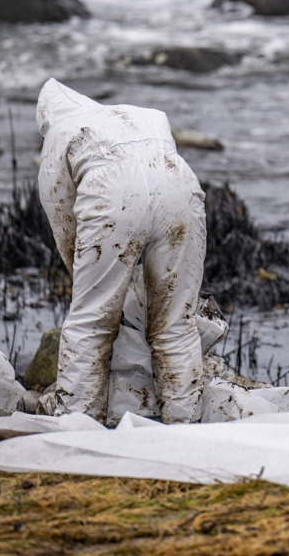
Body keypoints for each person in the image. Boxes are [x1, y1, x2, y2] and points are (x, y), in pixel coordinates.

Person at [35, 78, 208, 424]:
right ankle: (185, 429)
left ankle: (80, 428)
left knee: (91, 322)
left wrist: (93, 276)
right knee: (175, 324)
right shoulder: (145, 116)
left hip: (112, 196)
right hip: (182, 189)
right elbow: (154, 180)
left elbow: (63, 218)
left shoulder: (60, 132)